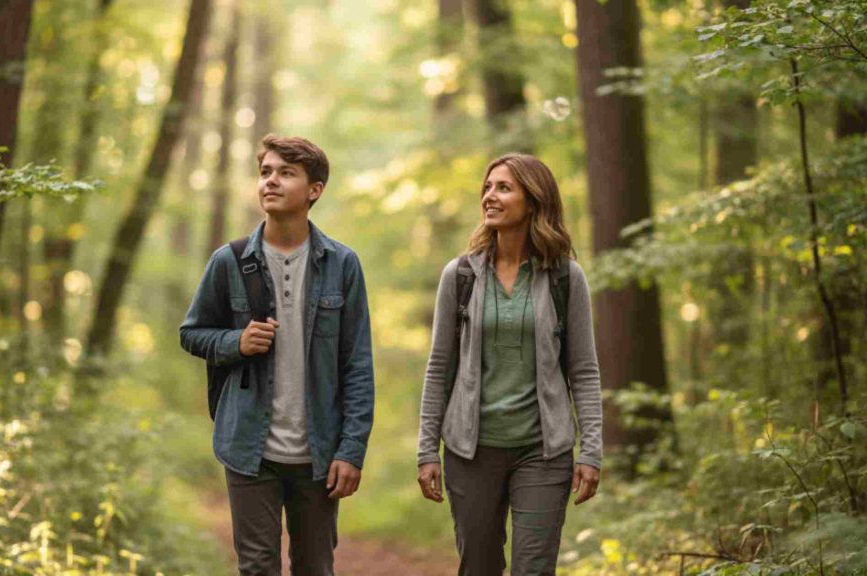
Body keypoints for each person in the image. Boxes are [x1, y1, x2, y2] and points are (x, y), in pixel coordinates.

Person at [180, 135, 374, 576]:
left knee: (314, 567)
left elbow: (357, 365)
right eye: (266, 172)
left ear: (314, 190)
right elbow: (192, 334)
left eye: (286, 173)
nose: (271, 181)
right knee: (257, 568)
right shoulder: (228, 261)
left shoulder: (343, 265)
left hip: (320, 453)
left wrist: (352, 449)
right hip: (249, 448)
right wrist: (235, 342)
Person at [416, 153, 603, 576]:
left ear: (533, 201)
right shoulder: (460, 275)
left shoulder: (564, 278)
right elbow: (439, 368)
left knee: (533, 569)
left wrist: (590, 451)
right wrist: (427, 450)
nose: (490, 196)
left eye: (504, 188)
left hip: (542, 451)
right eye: (487, 187)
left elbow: (584, 371)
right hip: (470, 451)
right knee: (479, 566)